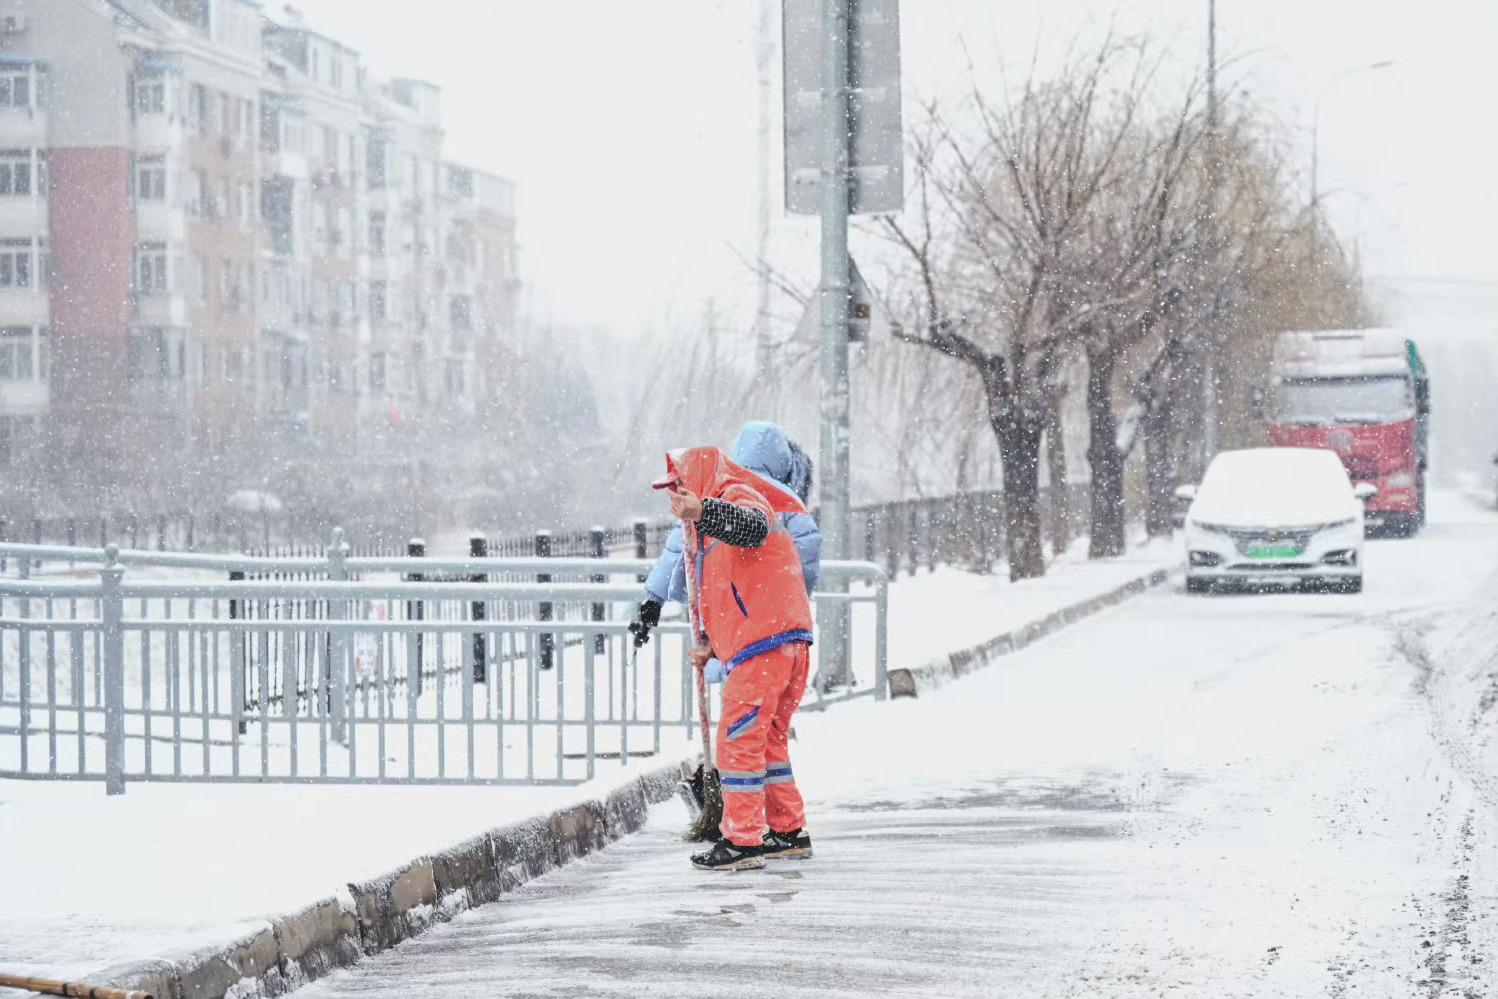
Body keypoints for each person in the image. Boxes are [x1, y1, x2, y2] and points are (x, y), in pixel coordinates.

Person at [652, 446, 816, 872]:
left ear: (703, 477)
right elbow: (731, 595)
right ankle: (788, 830)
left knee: (738, 743)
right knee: (769, 740)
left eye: (682, 484)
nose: (678, 493)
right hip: (781, 643)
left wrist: (703, 508)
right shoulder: (708, 533)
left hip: (765, 647)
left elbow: (752, 528)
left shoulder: (738, 496)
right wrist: (711, 644)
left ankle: (742, 840)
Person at [629, 421, 819, 653]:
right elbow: (805, 560)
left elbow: (680, 546)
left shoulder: (720, 491)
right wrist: (790, 604)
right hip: (775, 630)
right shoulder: (788, 503)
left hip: (724, 616)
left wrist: (653, 601)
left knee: (737, 682)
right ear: (784, 461)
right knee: (766, 683)